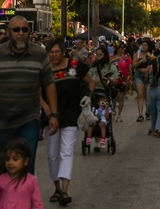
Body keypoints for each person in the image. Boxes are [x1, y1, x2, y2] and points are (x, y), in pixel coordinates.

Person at [0, 15, 59, 179]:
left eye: (25, 29)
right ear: (9, 32)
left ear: (29, 32)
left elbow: (49, 84)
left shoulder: (39, 54)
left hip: (29, 120)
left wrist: (53, 114)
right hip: (1, 121)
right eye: (16, 29)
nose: (21, 33)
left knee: (26, 164)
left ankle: (22, 200)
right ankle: (1, 197)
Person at [46, 39, 92, 207]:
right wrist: (45, 108)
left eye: (57, 52)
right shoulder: (45, 70)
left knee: (67, 152)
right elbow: (38, 90)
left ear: (63, 51)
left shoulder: (75, 66)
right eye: (51, 52)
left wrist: (88, 98)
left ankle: (65, 190)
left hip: (72, 116)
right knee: (52, 155)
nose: (54, 55)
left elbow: (90, 82)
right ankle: (56, 188)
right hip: (52, 117)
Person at [0, 137, 43, 209]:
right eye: (7, 159)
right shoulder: (2, 178)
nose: (10, 163)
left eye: (15, 159)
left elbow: (37, 203)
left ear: (26, 161)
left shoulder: (31, 180)